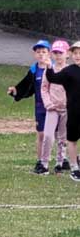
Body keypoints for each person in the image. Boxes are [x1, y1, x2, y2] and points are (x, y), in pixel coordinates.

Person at [7, 39, 51, 173]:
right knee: (41, 134)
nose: (41, 54)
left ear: (49, 54)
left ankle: (63, 160)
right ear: (34, 54)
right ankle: (40, 161)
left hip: (55, 107)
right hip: (40, 106)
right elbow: (26, 85)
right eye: (38, 52)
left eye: (44, 51)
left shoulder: (54, 68)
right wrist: (15, 91)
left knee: (59, 134)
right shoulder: (34, 70)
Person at [44, 40, 80, 181]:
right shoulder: (69, 71)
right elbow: (53, 77)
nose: (77, 56)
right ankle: (74, 168)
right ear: (71, 55)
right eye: (75, 53)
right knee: (72, 140)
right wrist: (49, 67)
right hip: (74, 112)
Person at [39, 40, 70, 175]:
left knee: (63, 137)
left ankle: (60, 162)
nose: (58, 56)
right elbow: (44, 88)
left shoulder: (71, 71)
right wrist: (48, 103)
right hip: (52, 108)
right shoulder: (49, 69)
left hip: (67, 109)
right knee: (48, 136)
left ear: (67, 54)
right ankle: (44, 164)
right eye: (55, 53)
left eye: (60, 53)